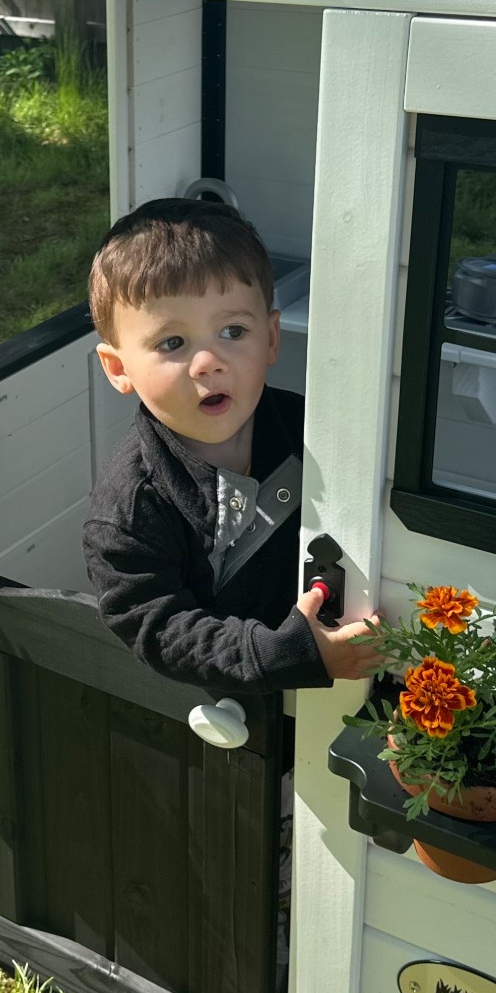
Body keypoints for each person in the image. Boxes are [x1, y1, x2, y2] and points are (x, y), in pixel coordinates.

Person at [83, 196, 383, 694]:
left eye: (232, 331)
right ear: (118, 369)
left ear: (271, 338)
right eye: (172, 343)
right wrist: (290, 653)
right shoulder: (130, 509)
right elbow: (157, 626)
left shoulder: (312, 430)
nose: (209, 361)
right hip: (232, 711)